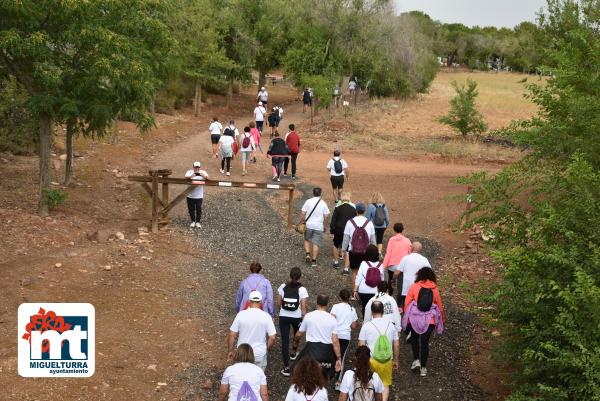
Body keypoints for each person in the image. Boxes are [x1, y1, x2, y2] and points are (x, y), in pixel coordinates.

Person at [402, 267, 445, 377]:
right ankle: (423, 368)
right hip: (430, 319)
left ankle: (416, 360)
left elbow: (407, 303)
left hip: (414, 318)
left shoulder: (414, 287)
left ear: (419, 276)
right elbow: (439, 306)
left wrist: (406, 318)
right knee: (424, 343)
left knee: (415, 339)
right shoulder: (434, 289)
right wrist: (442, 320)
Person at [358, 301, 400, 401]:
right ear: (383, 311)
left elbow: (361, 345)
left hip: (371, 360)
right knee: (385, 385)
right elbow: (396, 344)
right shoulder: (390, 325)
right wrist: (395, 360)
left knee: (369, 383)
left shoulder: (366, 326)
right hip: (386, 360)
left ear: (372, 312)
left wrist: (361, 362)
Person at [294, 294, 342, 380]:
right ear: (327, 304)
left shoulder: (309, 316)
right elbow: (335, 341)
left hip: (311, 349)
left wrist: (295, 342)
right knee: (324, 376)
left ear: (316, 303)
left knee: (305, 372)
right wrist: (338, 358)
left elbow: (299, 334)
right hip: (327, 351)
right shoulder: (332, 319)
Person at [228, 291, 276, 371]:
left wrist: (230, 350)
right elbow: (272, 337)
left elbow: (232, 334)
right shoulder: (266, 316)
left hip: (243, 352)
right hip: (259, 353)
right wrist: (267, 348)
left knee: (242, 376)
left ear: (248, 301)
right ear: (260, 302)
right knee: (257, 377)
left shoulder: (241, 315)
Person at [277, 267, 309, 377]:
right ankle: (293, 352)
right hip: (296, 317)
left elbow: (278, 303)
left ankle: (286, 367)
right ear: (300, 276)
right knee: (297, 335)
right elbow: (304, 305)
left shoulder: (283, 286)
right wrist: (304, 316)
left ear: (290, 275)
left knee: (284, 341)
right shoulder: (302, 289)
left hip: (284, 316)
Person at [330, 288, 358, 390]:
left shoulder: (335, 307)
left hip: (335, 334)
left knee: (333, 353)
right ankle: (338, 381)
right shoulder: (352, 309)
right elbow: (354, 325)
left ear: (340, 297)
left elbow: (331, 319)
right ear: (349, 297)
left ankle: (329, 372)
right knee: (342, 357)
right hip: (345, 336)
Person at [342, 203, 376, 285]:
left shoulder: (350, 222)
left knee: (354, 272)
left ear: (356, 210)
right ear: (364, 211)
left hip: (353, 250)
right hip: (366, 251)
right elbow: (373, 240)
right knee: (365, 271)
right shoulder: (369, 223)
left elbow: (346, 238)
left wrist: (343, 250)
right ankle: (363, 289)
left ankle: (354, 291)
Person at [391, 241, 431, 310]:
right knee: (417, 307)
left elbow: (396, 273)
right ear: (420, 250)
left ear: (411, 248)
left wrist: (393, 280)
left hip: (406, 289)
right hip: (419, 288)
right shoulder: (424, 260)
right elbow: (430, 273)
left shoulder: (405, 258)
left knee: (406, 306)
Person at [300, 187, 330, 268]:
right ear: (320, 193)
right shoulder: (323, 203)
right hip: (319, 226)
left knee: (306, 239)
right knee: (316, 243)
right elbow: (326, 215)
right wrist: (325, 225)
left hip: (309, 225)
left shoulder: (308, 201)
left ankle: (307, 254)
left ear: (313, 193)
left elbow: (302, 213)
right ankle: (314, 261)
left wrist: (303, 221)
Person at [382, 223, 411, 300]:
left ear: (394, 230)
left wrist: (384, 265)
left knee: (390, 279)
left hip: (392, 265)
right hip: (402, 266)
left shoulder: (391, 240)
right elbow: (410, 253)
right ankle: (400, 299)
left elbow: (388, 253)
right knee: (401, 282)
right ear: (402, 230)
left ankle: (390, 295)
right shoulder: (407, 241)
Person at [354, 245, 385, 317]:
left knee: (365, 306)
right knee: (376, 308)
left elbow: (359, 277)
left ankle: (365, 322)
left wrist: (355, 290)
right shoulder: (381, 265)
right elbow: (382, 280)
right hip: (376, 291)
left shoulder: (363, 263)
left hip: (363, 290)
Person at [329, 192, 357, 269]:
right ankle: (346, 268)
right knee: (347, 249)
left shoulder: (337, 208)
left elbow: (333, 221)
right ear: (349, 198)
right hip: (349, 231)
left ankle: (336, 262)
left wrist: (332, 231)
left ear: (341, 198)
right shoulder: (353, 209)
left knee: (336, 245)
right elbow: (355, 222)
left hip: (338, 230)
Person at [184, 161, 209, 228]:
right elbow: (185, 178)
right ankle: (192, 221)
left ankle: (198, 221)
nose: (197, 168)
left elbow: (208, 178)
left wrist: (201, 175)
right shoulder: (189, 172)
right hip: (190, 195)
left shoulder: (203, 172)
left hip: (199, 195)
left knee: (198, 209)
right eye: (196, 167)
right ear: (193, 167)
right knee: (191, 209)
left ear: (200, 167)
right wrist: (192, 176)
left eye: (198, 167)